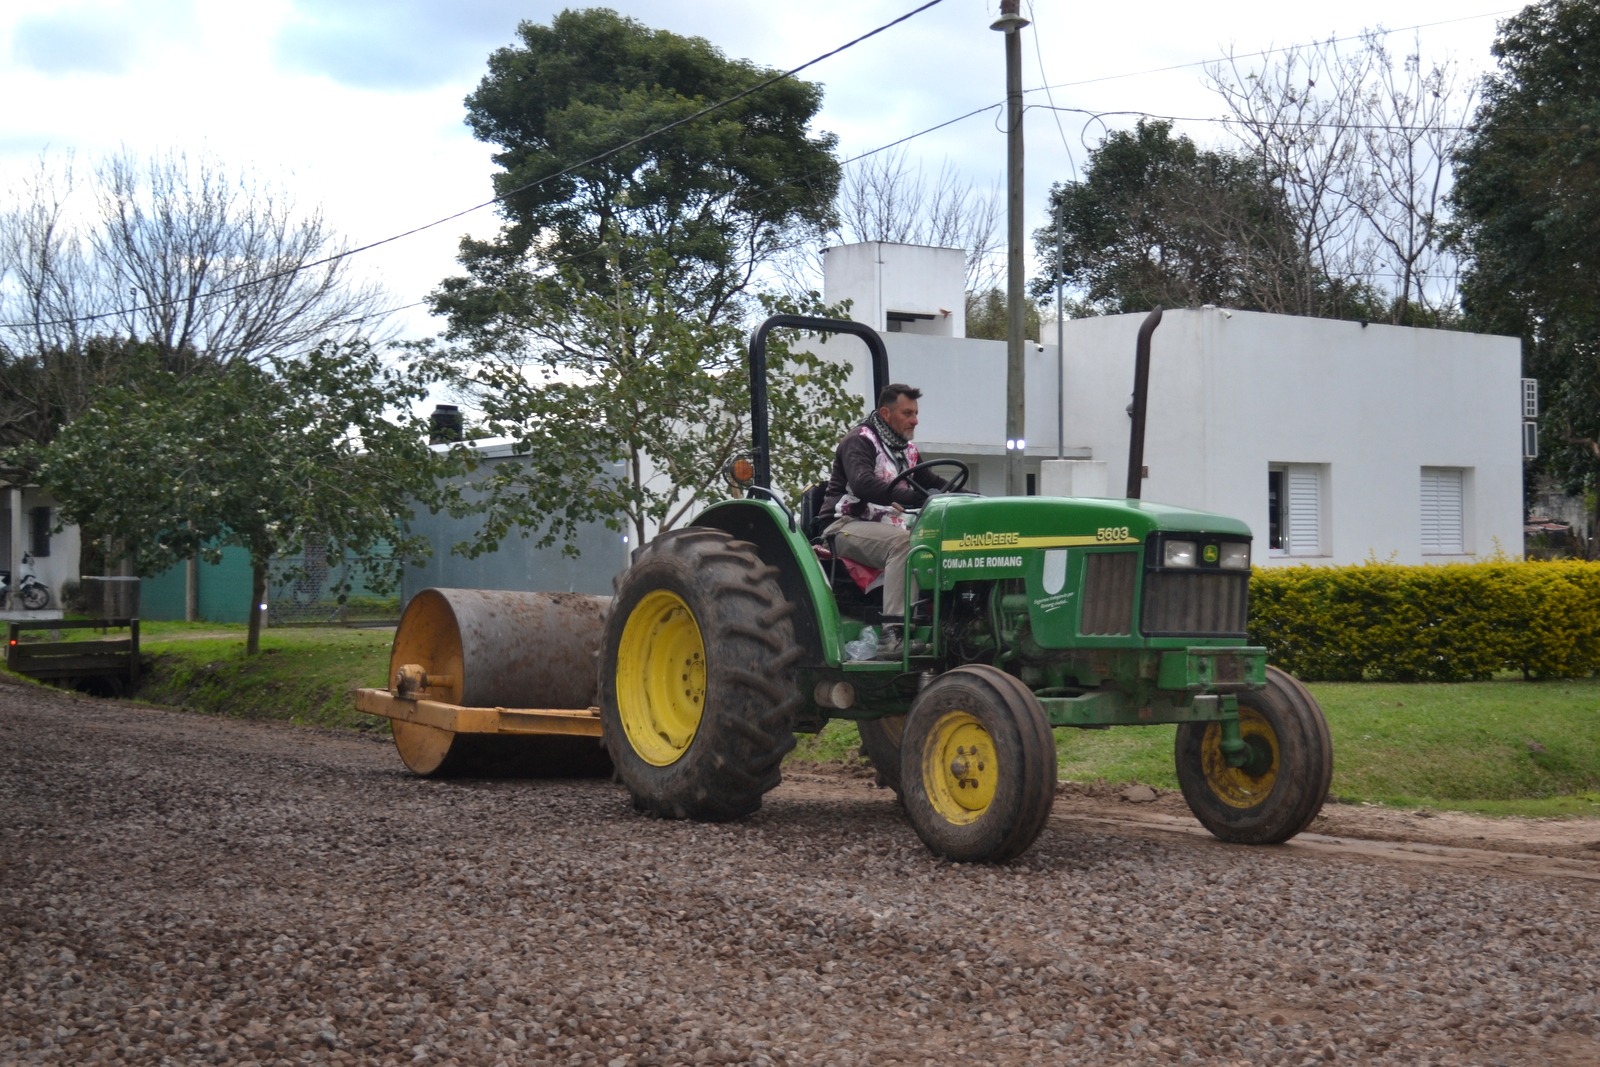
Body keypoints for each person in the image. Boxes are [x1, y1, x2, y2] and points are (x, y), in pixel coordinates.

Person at [819, 383, 948, 659]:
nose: (916, 420)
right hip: (845, 525)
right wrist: (913, 497)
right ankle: (893, 634)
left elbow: (934, 483)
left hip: (886, 527)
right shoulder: (860, 440)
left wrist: (973, 498)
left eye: (915, 413)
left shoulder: (907, 451)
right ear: (886, 413)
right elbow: (864, 483)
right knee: (905, 545)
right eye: (908, 413)